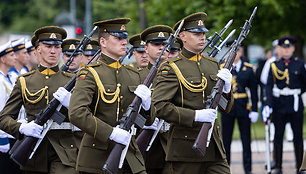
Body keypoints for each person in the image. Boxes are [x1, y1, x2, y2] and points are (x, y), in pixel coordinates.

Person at [151, 12, 234, 174]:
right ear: (183, 36)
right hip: (185, 149)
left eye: (203, 34)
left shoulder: (213, 65)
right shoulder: (171, 67)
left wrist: (227, 90)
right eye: (196, 34)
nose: (202, 37)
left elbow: (226, 108)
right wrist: (196, 116)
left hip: (214, 149)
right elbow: (159, 107)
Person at [68, 18, 153, 174]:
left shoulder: (134, 75)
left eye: (124, 38)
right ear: (103, 42)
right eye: (118, 38)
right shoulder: (89, 73)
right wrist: (111, 133)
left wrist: (147, 106)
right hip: (98, 156)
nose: (123, 42)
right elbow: (77, 113)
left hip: (130, 155)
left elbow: (147, 120)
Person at [0, 26, 80, 174]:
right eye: (48, 46)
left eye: (57, 47)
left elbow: (89, 115)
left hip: (65, 154)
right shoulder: (25, 81)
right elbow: (4, 118)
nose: (53, 51)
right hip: (34, 153)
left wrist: (73, 104)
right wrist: (22, 128)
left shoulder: (72, 81)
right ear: (37, 50)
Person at [263, 36, 306, 174]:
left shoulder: (299, 64)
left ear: (293, 48)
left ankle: (300, 167)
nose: (286, 50)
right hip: (279, 104)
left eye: (289, 47)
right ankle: (279, 166)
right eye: (284, 47)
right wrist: (268, 105)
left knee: (298, 137)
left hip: (295, 105)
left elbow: (304, 85)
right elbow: (268, 87)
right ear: (280, 49)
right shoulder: (274, 65)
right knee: (278, 137)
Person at [139, 25, 173, 174]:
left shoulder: (179, 74)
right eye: (156, 44)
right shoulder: (136, 76)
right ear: (146, 49)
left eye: (164, 44)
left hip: (173, 143)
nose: (161, 48)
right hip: (147, 144)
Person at [221, 43, 258, 174]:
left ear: (241, 52)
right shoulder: (223, 67)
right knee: (226, 140)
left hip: (243, 106)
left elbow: (253, 90)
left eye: (238, 50)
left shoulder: (248, 68)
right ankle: (225, 168)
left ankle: (248, 169)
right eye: (232, 50)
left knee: (246, 139)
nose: (235, 53)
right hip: (227, 108)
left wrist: (254, 110)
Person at [0, 41, 24, 174]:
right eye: (11, 55)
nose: (15, 57)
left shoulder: (12, 76)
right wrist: (1, 138)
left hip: (14, 133)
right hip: (5, 136)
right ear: (3, 59)